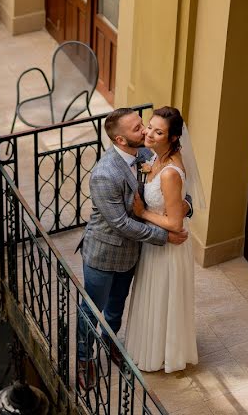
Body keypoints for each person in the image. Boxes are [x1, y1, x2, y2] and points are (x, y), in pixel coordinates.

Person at [76, 108, 190, 391]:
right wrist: (164, 236)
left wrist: (185, 211)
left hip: (132, 255)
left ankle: (111, 344)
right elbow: (121, 224)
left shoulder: (146, 154)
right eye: (139, 129)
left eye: (146, 125)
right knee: (92, 311)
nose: (146, 132)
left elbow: (176, 191)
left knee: (116, 310)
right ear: (121, 140)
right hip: (104, 254)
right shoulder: (104, 174)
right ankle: (83, 359)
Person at [124, 106, 198, 372]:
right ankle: (149, 346)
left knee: (162, 296)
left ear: (174, 137)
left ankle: (162, 353)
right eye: (150, 127)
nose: (150, 134)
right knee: (152, 295)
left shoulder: (169, 173)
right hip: (155, 243)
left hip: (168, 246)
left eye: (159, 132)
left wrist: (143, 212)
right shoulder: (158, 158)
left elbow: (176, 223)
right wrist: (147, 169)